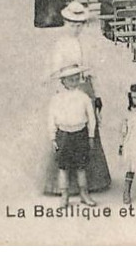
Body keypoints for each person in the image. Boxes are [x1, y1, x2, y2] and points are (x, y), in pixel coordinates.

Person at [43, 1, 111, 196]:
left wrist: (95, 95)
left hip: (85, 86)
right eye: (72, 24)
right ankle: (62, 185)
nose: (76, 28)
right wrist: (62, 89)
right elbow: (56, 71)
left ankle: (92, 181)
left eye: (79, 24)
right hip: (67, 86)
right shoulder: (61, 44)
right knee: (66, 131)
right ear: (65, 23)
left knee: (89, 126)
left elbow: (92, 70)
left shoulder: (87, 43)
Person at [47, 64, 97, 207]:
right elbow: (51, 118)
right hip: (63, 135)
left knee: (81, 166)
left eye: (76, 79)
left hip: (80, 133)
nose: (74, 82)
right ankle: (65, 195)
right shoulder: (57, 99)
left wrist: (91, 135)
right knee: (64, 167)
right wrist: (52, 137)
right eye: (70, 80)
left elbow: (91, 117)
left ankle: (84, 193)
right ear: (63, 81)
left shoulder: (84, 97)